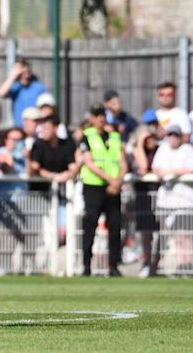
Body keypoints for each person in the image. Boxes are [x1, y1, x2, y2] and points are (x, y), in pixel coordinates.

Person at [79, 102, 128, 277]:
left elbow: (122, 161)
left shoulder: (114, 137)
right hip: (94, 187)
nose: (100, 118)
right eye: (97, 115)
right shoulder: (87, 136)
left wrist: (118, 180)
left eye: (102, 114)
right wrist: (111, 180)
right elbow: (89, 162)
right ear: (91, 118)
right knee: (90, 225)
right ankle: (86, 265)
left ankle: (114, 265)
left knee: (115, 226)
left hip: (113, 188)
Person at [152, 125, 193, 275]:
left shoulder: (188, 150)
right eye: (170, 135)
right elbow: (156, 168)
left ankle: (186, 264)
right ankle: (166, 264)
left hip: (184, 200)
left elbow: (192, 168)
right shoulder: (163, 149)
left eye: (175, 135)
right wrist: (163, 173)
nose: (173, 138)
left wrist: (170, 172)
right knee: (167, 235)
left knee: (183, 233)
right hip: (166, 200)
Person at [29, 115, 77, 245]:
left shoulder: (66, 145)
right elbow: (35, 167)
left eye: (46, 128)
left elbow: (73, 167)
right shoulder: (38, 145)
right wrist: (53, 177)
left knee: (62, 232)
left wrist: (66, 175)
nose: (43, 131)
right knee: (38, 233)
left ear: (55, 128)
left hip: (60, 195)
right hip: (39, 196)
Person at [131, 126, 160, 277]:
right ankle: (146, 262)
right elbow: (142, 166)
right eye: (146, 138)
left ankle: (156, 263)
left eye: (151, 137)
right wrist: (140, 144)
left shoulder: (160, 150)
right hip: (142, 198)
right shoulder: (135, 151)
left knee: (160, 234)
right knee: (145, 233)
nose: (150, 141)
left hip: (159, 197)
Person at [0, 59, 46, 128]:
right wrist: (13, 75)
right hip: (19, 126)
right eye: (22, 73)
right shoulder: (15, 87)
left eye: (27, 73)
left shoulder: (38, 87)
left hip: (35, 126)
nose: (25, 76)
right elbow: (0, 93)